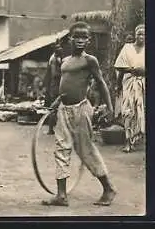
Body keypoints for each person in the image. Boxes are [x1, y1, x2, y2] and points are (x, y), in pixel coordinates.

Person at [42, 21, 116, 207]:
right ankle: (61, 195)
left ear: (88, 40)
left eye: (84, 37)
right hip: (63, 110)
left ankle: (108, 189)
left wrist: (109, 106)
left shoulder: (89, 60)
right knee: (61, 149)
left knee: (86, 150)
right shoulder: (65, 61)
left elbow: (101, 83)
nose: (81, 40)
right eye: (77, 36)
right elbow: (64, 85)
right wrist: (57, 101)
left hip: (81, 109)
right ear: (71, 39)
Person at [114, 24, 145, 153]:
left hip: (143, 83)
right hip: (129, 83)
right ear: (135, 35)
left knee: (142, 111)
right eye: (139, 34)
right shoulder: (127, 48)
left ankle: (138, 138)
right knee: (128, 112)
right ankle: (128, 142)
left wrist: (143, 71)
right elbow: (119, 66)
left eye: (144, 34)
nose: (142, 36)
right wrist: (119, 83)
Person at [44, 42, 64, 135]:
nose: (61, 50)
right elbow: (54, 74)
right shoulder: (53, 59)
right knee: (54, 107)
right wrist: (64, 72)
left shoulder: (57, 58)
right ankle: (50, 128)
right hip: (54, 86)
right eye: (59, 49)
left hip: (58, 85)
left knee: (58, 108)